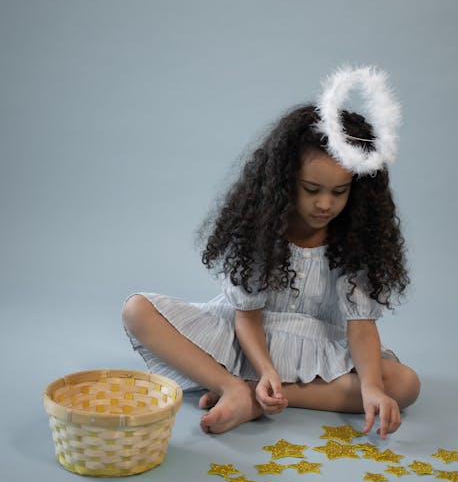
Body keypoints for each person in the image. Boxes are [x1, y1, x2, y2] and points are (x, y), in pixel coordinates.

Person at [122, 66, 420, 438]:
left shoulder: (355, 243)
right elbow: (246, 318)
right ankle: (233, 386)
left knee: (404, 384)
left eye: (339, 192)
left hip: (313, 348)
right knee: (138, 310)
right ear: (285, 182)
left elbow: (361, 329)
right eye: (311, 189)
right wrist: (265, 369)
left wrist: (373, 386)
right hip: (246, 339)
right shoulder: (262, 232)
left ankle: (254, 396)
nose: (325, 204)